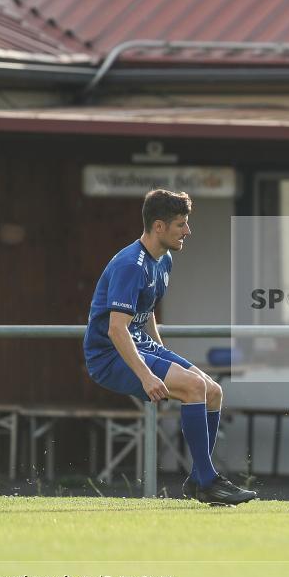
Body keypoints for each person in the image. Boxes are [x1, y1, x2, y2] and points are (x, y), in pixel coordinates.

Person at [83, 189, 256, 505]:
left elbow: (146, 311)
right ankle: (207, 482)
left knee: (213, 391)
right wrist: (148, 376)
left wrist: (163, 357)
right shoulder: (131, 265)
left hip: (140, 344)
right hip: (109, 356)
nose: (187, 231)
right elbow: (116, 329)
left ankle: (199, 478)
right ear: (159, 226)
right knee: (193, 387)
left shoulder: (164, 260)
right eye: (181, 224)